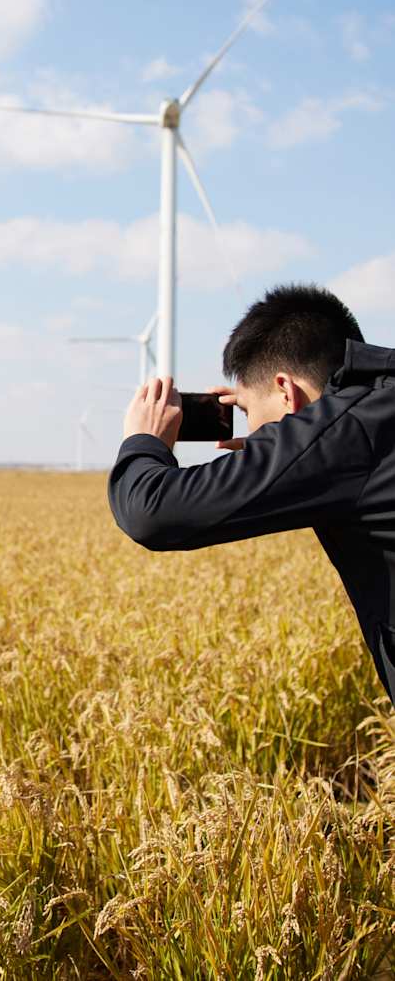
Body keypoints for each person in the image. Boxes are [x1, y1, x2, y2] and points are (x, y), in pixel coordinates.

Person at [109, 283, 395, 705]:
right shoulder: (375, 405)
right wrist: (282, 451)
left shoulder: (345, 434)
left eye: (246, 411)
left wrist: (143, 439)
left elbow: (151, 511)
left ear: (286, 390)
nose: (250, 427)